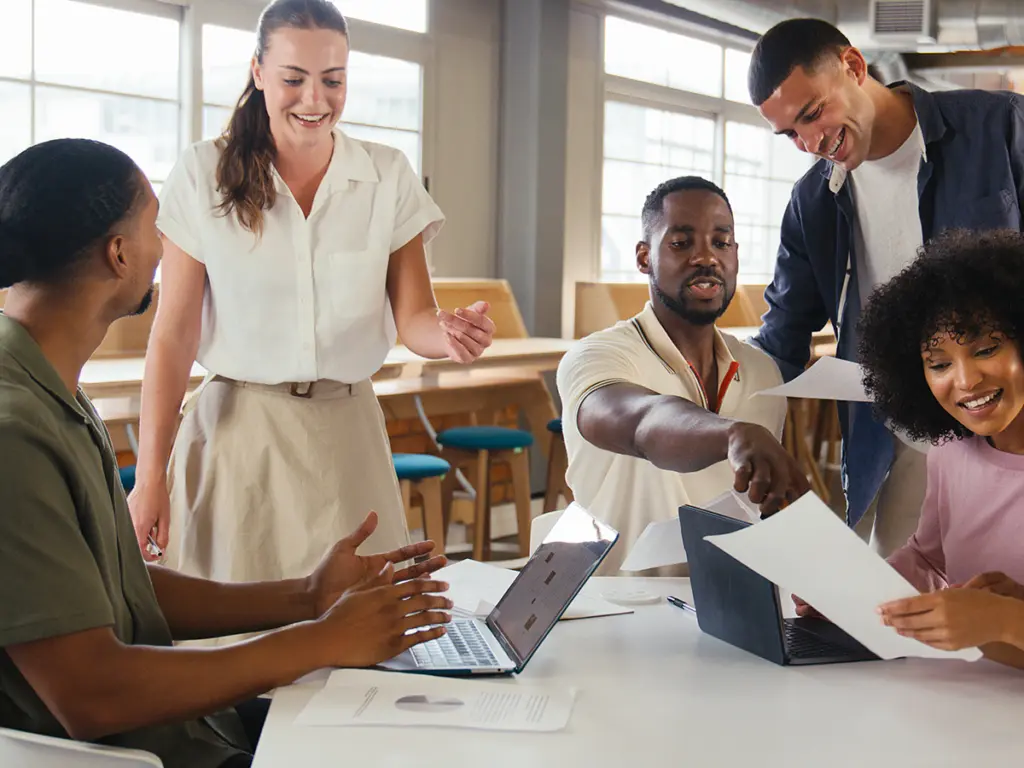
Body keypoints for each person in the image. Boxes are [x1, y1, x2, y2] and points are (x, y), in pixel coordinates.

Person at [0, 138, 452, 768]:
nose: (168, 242)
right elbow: (91, 692)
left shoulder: (49, 390)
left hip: (187, 728)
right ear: (119, 253)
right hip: (144, 752)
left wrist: (307, 596)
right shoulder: (14, 432)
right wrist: (320, 640)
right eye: (155, 220)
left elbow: (120, 588)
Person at [129, 0, 495, 595]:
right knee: (240, 645)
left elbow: (414, 318)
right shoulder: (203, 173)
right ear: (258, 72)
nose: (315, 100)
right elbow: (172, 337)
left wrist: (450, 335)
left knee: (361, 634)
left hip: (346, 437)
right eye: (293, 79)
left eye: (333, 80)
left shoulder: (387, 174)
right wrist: (150, 478)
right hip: (239, 433)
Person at [746, 18, 1024, 557]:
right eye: (790, 135)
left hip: (1009, 422)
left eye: (812, 114)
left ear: (853, 66)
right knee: (901, 613)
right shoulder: (813, 204)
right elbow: (781, 335)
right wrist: (728, 425)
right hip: (899, 439)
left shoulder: (1001, 129)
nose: (809, 143)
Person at [556, 176, 808, 575]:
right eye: (681, 243)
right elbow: (642, 421)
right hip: (614, 607)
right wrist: (732, 433)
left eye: (721, 243)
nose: (706, 258)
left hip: (725, 610)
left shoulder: (761, 372)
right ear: (644, 258)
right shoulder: (598, 355)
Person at [853, 229, 1024, 664]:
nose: (965, 381)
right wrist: (860, 596)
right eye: (940, 364)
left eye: (986, 349)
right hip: (969, 699)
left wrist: (1005, 620)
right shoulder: (951, 453)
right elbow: (930, 560)